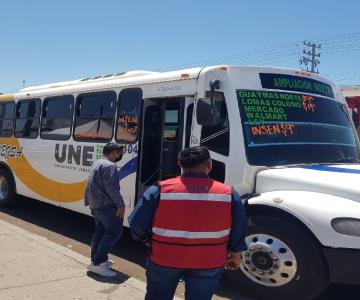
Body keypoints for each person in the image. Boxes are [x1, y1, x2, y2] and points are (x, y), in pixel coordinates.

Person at [129, 146, 247, 300]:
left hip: (164, 258)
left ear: (180, 164)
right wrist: (235, 255)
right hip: (209, 261)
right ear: (209, 165)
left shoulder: (159, 190)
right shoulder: (228, 193)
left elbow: (136, 223)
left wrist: (145, 239)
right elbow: (239, 228)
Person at [85, 142, 125, 277]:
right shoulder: (110, 166)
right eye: (119, 153)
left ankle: (95, 259)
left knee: (100, 230)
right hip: (105, 205)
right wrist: (120, 205)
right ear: (114, 153)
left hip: (95, 204)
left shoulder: (98, 163)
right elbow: (111, 188)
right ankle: (98, 262)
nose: (120, 155)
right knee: (115, 231)